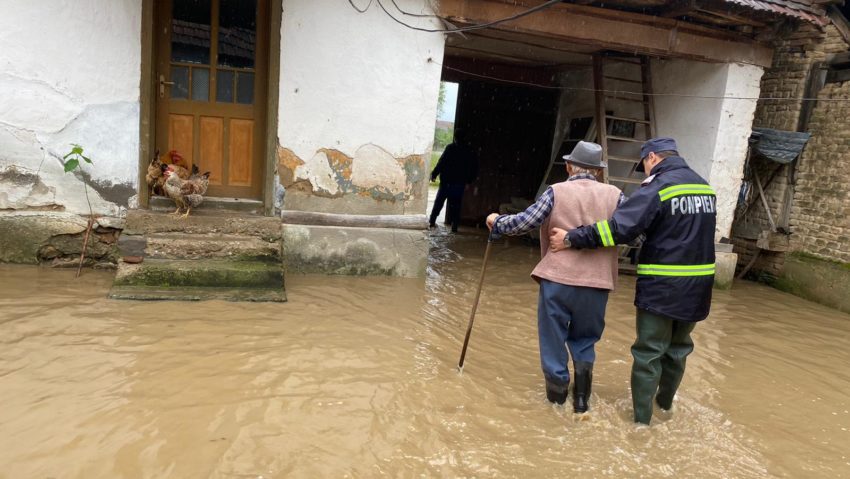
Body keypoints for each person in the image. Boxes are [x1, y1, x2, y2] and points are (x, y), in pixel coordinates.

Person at [549, 137, 717, 425]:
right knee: (678, 350)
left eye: (644, 164)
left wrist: (572, 238)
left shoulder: (659, 187)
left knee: (649, 353)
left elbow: (619, 229)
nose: (645, 170)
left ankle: (641, 422)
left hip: (664, 284)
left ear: (652, 157)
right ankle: (665, 407)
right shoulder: (704, 186)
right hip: (699, 285)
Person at [485, 141, 625, 414]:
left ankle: (556, 401)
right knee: (585, 340)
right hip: (597, 284)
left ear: (570, 166)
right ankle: (582, 401)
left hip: (558, 280)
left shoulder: (556, 191)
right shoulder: (616, 195)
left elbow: (525, 222)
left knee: (553, 340)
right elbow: (633, 230)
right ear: (597, 171)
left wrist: (498, 221)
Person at [429, 129, 478, 232]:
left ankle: (432, 222)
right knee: (456, 205)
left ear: (455, 137)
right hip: (459, 183)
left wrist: (434, 174)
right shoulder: (469, 150)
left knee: (439, 202)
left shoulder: (450, 148)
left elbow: (441, 162)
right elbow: (473, 168)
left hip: (446, 182)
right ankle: (454, 227)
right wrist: (469, 181)